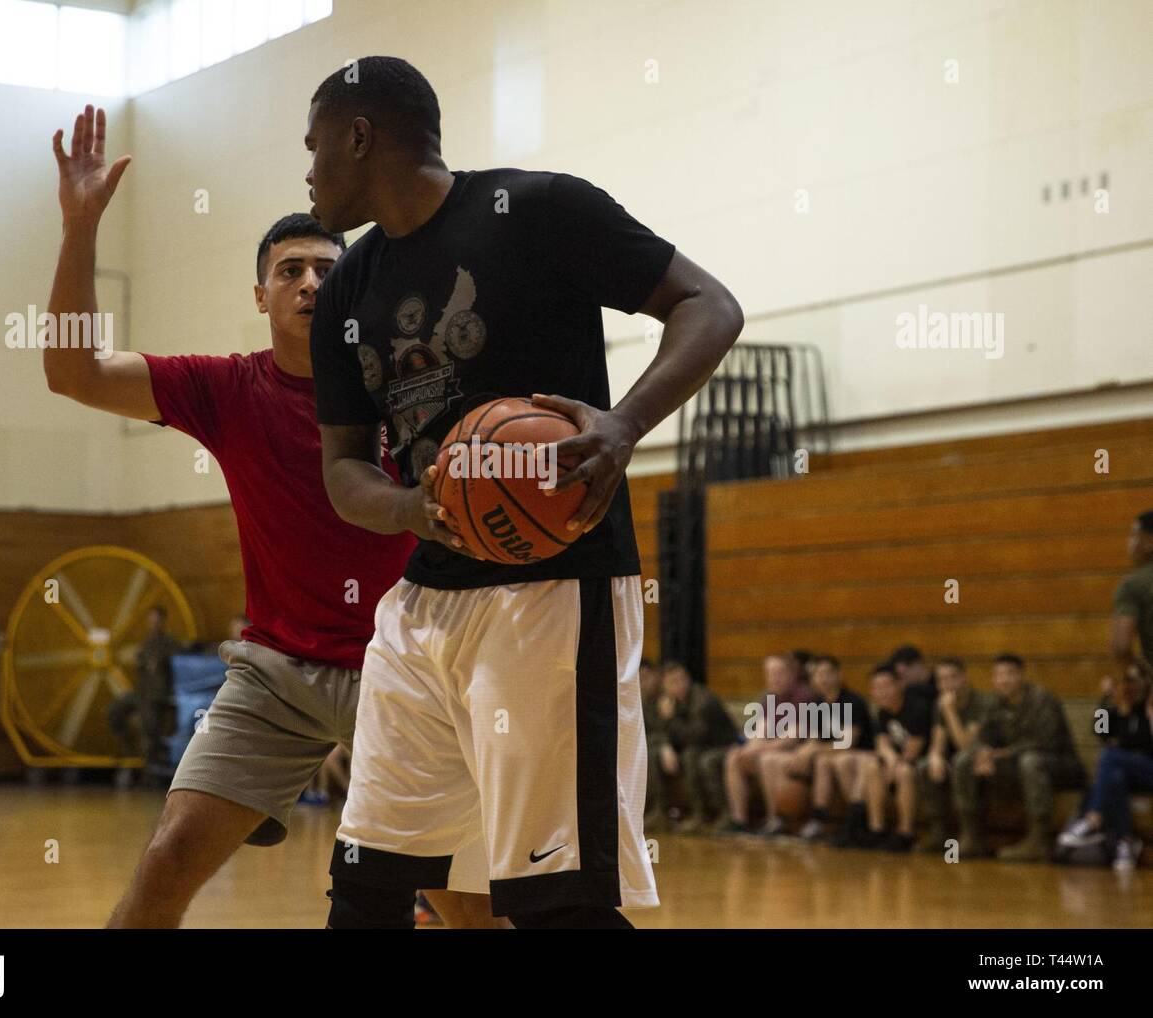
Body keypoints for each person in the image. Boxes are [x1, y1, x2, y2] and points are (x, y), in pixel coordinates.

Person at [306, 56, 743, 928]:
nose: (308, 172)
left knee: (555, 905)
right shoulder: (347, 288)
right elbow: (344, 470)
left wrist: (623, 425)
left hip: (555, 589)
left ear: (362, 136)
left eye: (314, 147)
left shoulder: (539, 210)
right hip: (423, 603)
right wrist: (410, 507)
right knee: (368, 888)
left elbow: (710, 305)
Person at [44, 105, 497, 928]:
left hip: (403, 665)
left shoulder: (409, 384)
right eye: (289, 270)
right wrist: (81, 227)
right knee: (168, 856)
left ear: (353, 290)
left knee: (464, 900)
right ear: (261, 294)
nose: (309, 283)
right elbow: (73, 372)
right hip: (275, 671)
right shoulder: (225, 389)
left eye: (326, 269)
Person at [951, 653, 1085, 861]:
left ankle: (1039, 840)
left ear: (1021, 676)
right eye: (998, 675)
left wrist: (1002, 754)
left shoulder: (1042, 699)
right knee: (963, 761)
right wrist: (982, 752)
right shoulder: (995, 703)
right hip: (1017, 764)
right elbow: (982, 736)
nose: (1003, 680)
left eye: (1009, 674)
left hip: (1059, 766)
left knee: (1031, 761)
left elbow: (1045, 743)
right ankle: (971, 835)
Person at [1056, 672, 1153, 870]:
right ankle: (1124, 843)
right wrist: (1105, 703)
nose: (1127, 688)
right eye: (1124, 683)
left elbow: (1143, 743)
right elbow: (1100, 732)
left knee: (1110, 755)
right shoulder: (1116, 710)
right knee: (1115, 778)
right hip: (1133, 774)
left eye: (1131, 683)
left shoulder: (1145, 711)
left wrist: (1128, 714)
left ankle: (1093, 818)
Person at [717, 654, 811, 835]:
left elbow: (792, 739)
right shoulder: (768, 697)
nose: (774, 678)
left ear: (792, 674)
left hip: (799, 753)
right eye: (770, 673)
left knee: (768, 759)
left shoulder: (803, 696)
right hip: (774, 750)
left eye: (779, 672)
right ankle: (739, 820)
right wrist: (748, 749)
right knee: (734, 756)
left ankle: (775, 819)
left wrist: (757, 750)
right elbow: (759, 731)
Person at [644, 661, 739, 833]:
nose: (678, 685)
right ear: (664, 686)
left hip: (723, 746)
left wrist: (669, 720)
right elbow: (655, 733)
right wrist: (665, 746)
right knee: (654, 754)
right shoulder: (668, 702)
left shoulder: (702, 700)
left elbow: (695, 736)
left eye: (681, 679)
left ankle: (708, 814)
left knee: (692, 757)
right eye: (672, 682)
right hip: (700, 747)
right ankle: (660, 812)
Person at [915, 657, 995, 852]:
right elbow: (938, 740)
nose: (947, 684)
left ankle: (971, 835)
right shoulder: (941, 704)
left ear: (964, 678)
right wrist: (934, 756)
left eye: (952, 678)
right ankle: (938, 832)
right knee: (926, 765)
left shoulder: (981, 702)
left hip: (988, 759)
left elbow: (966, 746)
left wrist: (950, 711)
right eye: (941, 680)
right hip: (964, 760)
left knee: (962, 760)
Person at [850, 664, 930, 852]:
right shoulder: (882, 711)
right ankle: (876, 829)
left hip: (923, 761)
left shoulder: (917, 708)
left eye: (886, 686)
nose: (881, 692)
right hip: (898, 761)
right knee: (872, 767)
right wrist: (891, 761)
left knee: (904, 772)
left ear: (900, 684)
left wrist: (895, 764)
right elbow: (882, 744)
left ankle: (906, 832)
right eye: (876, 688)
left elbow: (913, 750)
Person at [798, 655, 874, 842]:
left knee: (828, 760)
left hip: (861, 753)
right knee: (819, 760)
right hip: (834, 754)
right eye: (818, 675)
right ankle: (819, 818)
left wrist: (815, 751)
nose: (823, 679)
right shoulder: (817, 704)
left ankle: (858, 821)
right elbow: (814, 739)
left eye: (827, 673)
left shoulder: (853, 701)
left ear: (838, 674)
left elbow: (848, 742)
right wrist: (802, 753)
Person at [108, 604, 183, 785]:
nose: (153, 623)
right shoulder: (146, 642)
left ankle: (152, 773)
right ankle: (130, 753)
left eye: (156, 619)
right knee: (114, 712)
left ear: (162, 621)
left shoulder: (170, 644)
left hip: (156, 696)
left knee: (150, 730)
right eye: (151, 619)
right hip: (141, 693)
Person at [1110, 509, 1153, 682]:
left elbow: (1121, 646)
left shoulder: (1134, 585)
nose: (1129, 542)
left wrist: (1137, 674)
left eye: (1135, 535)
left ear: (1150, 542)